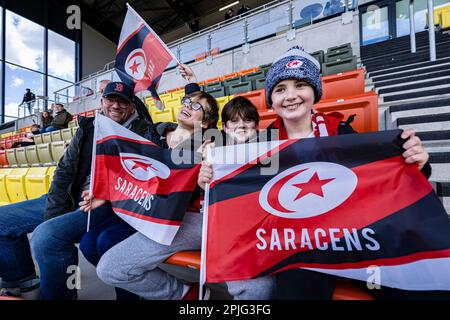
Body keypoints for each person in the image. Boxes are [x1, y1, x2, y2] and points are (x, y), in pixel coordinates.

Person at [259, 46, 433, 300]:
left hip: (356, 238)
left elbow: (382, 173)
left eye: (300, 85)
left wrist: (415, 164)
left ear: (314, 91)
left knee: (410, 288)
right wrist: (209, 178)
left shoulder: (339, 131)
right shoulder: (263, 144)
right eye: (280, 89)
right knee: (296, 291)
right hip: (299, 245)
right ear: (271, 99)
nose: (291, 96)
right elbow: (251, 197)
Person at [0, 81, 149, 300]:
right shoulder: (88, 128)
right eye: (111, 99)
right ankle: (24, 283)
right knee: (3, 220)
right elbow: (64, 171)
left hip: (106, 204)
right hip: (71, 195)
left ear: (132, 106)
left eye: (123, 101)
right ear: (102, 101)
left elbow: (147, 172)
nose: (116, 106)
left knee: (46, 237)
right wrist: (55, 212)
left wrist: (167, 129)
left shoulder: (143, 131)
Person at [94, 64, 223, 300]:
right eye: (186, 102)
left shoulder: (208, 144)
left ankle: (183, 294)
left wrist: (211, 153)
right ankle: (181, 291)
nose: (187, 106)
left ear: (205, 123)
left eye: (195, 107)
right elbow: (131, 110)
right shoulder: (155, 132)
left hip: (176, 218)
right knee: (93, 243)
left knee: (107, 255)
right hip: (143, 210)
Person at [197, 96, 276, 299]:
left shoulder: (271, 150)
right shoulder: (214, 152)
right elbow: (204, 193)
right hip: (215, 223)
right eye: (234, 121)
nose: (241, 125)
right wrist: (202, 183)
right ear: (225, 126)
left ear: (256, 125)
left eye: (247, 120)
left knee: (258, 288)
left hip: (255, 227)